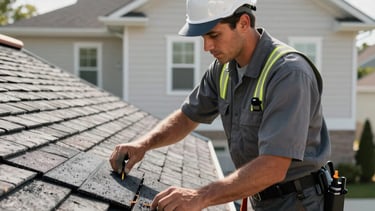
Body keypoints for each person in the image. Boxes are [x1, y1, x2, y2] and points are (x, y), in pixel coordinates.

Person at [109, 0, 331, 210]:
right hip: (260, 197)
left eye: (214, 35)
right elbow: (187, 117)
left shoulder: (288, 73)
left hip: (298, 202)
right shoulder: (223, 69)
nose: (207, 46)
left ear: (244, 23)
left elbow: (274, 166)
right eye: (203, 37)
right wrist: (143, 145)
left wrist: (199, 197)